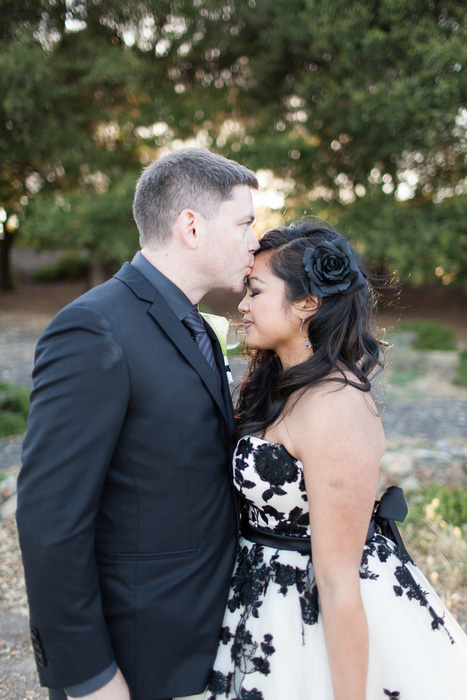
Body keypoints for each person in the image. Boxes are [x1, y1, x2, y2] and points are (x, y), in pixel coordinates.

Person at [182, 221, 467, 700]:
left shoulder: (336, 407)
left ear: (308, 303)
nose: (243, 305)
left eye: (255, 291)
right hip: (256, 597)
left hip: (312, 609)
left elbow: (338, 583)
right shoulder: (273, 385)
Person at [16, 148, 260, 700]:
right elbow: (50, 518)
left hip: (202, 640)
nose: (255, 241)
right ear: (192, 227)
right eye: (245, 222)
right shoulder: (94, 327)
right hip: (135, 660)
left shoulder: (195, 322)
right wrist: (87, 676)